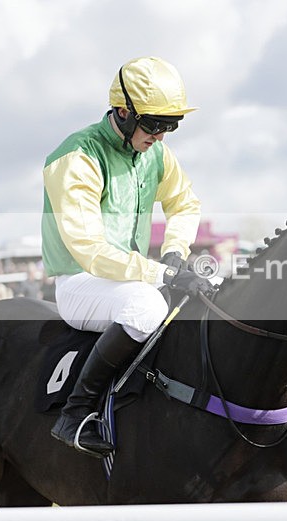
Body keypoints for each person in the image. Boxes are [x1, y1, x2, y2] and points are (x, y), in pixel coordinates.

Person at [42, 56, 210, 458]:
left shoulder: (156, 155)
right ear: (122, 112)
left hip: (130, 278)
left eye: (171, 125)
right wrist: (162, 275)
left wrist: (173, 251)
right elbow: (91, 251)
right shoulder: (76, 157)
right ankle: (75, 412)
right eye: (154, 124)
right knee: (147, 307)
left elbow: (184, 203)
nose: (162, 136)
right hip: (80, 281)